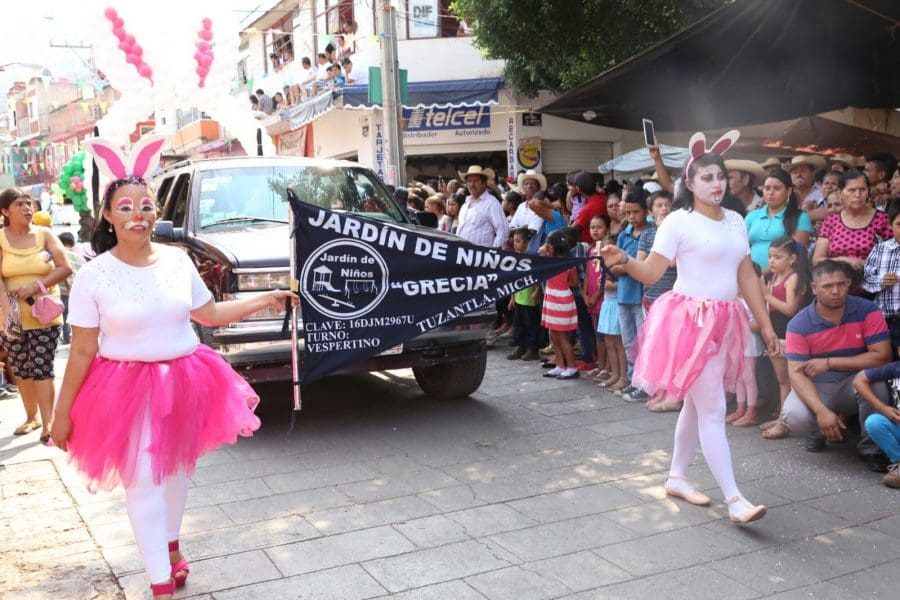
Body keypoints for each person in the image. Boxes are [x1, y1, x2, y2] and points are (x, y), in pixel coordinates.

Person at [50, 136, 297, 600]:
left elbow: (210, 314)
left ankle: (170, 544)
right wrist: (61, 413)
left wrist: (266, 298)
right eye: (125, 207)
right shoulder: (93, 275)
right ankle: (160, 582)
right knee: (143, 479)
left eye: (146, 206)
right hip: (123, 387)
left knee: (177, 471)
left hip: (185, 378)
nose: (137, 215)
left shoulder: (178, 261)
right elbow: (81, 351)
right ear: (108, 215)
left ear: (157, 212)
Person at [599, 131, 777, 524]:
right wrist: (624, 259)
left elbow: (747, 276)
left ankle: (677, 477)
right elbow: (651, 272)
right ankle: (734, 499)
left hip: (726, 320)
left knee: (697, 407)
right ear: (690, 183)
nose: (717, 184)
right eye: (707, 177)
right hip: (689, 322)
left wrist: (765, 325)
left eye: (721, 176)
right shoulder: (678, 221)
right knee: (712, 407)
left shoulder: (736, 220)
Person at [768, 260, 892, 473]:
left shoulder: (868, 310)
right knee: (794, 416)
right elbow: (796, 374)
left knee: (876, 383)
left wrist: (829, 363)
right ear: (814, 288)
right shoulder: (799, 324)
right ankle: (819, 429)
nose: (836, 291)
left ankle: (871, 448)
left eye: (841, 284)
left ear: (849, 283)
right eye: (827, 286)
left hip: (853, 383)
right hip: (817, 386)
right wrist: (821, 411)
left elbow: (882, 357)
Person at [0, 188, 73, 443]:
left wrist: (36, 286)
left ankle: (48, 422)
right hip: (11, 316)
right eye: (19, 204)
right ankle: (32, 418)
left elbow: (65, 267)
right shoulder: (0, 239)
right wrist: (7, 311)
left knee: (42, 366)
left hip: (45, 314)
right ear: (5, 211)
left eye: (28, 203)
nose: (27, 208)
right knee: (21, 368)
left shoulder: (45, 235)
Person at [760, 236, 811, 437]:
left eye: (777, 257)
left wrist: (766, 295)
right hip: (775, 332)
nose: (771, 261)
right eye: (770, 256)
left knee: (788, 380)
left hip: (788, 333)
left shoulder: (794, 278)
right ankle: (783, 416)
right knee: (782, 380)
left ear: (792, 259)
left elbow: (790, 308)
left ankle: (785, 421)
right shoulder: (775, 276)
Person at [813, 170, 891, 297]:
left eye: (862, 189)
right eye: (852, 190)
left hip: (874, 293)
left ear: (868, 191)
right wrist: (844, 260)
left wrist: (868, 264)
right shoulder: (831, 221)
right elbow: (817, 260)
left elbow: (895, 257)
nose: (858, 194)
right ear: (840, 193)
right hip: (836, 292)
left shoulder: (882, 220)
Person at [637, 191, 680, 412]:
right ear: (650, 211)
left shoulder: (676, 232)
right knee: (656, 348)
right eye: (659, 205)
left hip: (672, 299)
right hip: (650, 297)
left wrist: (665, 232)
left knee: (672, 349)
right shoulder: (647, 234)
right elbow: (641, 263)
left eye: (667, 205)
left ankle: (671, 392)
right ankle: (659, 390)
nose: (664, 209)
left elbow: (673, 263)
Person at [612, 189, 650, 402]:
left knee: (644, 343)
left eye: (636, 212)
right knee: (629, 343)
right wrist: (631, 266)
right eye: (628, 212)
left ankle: (644, 383)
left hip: (642, 296)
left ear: (646, 211)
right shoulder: (623, 234)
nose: (632, 217)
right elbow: (614, 265)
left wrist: (627, 266)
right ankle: (633, 379)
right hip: (623, 295)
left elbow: (643, 266)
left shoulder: (651, 233)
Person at [744, 169, 813, 272]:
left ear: (789, 191)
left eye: (777, 188)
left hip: (784, 277)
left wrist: (762, 274)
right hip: (750, 275)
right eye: (767, 188)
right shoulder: (752, 216)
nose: (770, 192)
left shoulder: (800, 217)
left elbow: (798, 250)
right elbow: (739, 248)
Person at [727, 263, 765, 427]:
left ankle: (751, 411)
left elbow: (759, 324)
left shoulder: (754, 301)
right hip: (735, 342)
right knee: (738, 377)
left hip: (749, 341)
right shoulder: (733, 299)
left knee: (748, 377)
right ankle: (740, 408)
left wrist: (740, 323)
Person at [539, 229, 579, 380]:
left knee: (561, 336)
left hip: (559, 300)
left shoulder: (560, 262)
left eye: (547, 244)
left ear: (552, 246)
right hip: (553, 298)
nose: (545, 247)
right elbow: (574, 282)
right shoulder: (554, 261)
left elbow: (575, 281)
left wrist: (561, 284)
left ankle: (572, 367)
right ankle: (560, 365)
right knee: (553, 334)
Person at [853, 366, 900, 488]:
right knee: (873, 422)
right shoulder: (894, 368)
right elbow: (858, 381)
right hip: (897, 426)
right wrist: (882, 408)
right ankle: (898, 461)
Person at [862, 203, 900, 353]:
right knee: (883, 360)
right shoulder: (880, 250)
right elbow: (866, 279)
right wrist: (882, 281)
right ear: (890, 225)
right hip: (882, 321)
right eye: (899, 224)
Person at [596, 232, 626, 392]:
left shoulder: (620, 265)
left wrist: (613, 286)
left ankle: (623, 376)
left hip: (617, 303)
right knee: (608, 341)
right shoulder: (604, 265)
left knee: (618, 342)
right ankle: (614, 373)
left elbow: (627, 283)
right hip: (607, 304)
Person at [507, 228, 541, 361]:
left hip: (529, 298)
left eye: (518, 241)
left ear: (526, 243)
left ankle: (532, 349)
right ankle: (520, 347)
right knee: (518, 324)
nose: (515, 244)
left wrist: (537, 291)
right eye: (514, 241)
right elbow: (513, 280)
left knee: (530, 324)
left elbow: (536, 277)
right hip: (519, 298)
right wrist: (512, 297)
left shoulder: (530, 259)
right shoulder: (515, 259)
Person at [455, 166, 508, 248]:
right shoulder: (465, 204)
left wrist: (493, 251)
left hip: (482, 253)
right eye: (469, 181)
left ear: (484, 183)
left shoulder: (491, 203)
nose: (472, 184)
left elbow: (503, 230)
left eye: (476, 181)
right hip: (462, 252)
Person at [584, 215, 610, 379]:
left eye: (599, 227)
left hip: (602, 298)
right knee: (596, 333)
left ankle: (606, 368)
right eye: (592, 227)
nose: (595, 230)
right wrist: (584, 294)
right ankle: (600, 365)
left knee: (604, 334)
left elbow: (606, 275)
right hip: (591, 298)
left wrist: (596, 295)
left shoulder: (607, 250)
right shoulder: (590, 249)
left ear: (607, 229)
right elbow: (587, 274)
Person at [57, 231, 85, 345]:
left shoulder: (57, 255)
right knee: (71, 316)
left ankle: (64, 337)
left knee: (61, 316)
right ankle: (70, 337)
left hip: (60, 291)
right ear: (73, 243)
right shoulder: (80, 258)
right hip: (75, 292)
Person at [571, 171, 608, 244]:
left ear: (578, 189)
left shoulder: (587, 209)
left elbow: (572, 230)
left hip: (590, 246)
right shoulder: (605, 198)